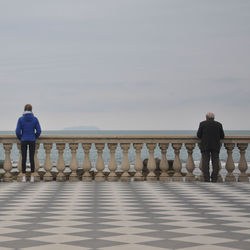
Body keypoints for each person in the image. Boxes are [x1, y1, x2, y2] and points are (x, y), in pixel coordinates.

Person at [16, 104, 41, 182]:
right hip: (32, 140)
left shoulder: (20, 119)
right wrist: (35, 137)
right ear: (31, 110)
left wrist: (21, 137)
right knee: (31, 158)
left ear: (24, 109)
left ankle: (23, 177)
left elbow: (17, 131)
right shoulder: (35, 119)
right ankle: (32, 177)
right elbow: (39, 131)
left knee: (23, 158)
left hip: (23, 140)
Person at [197, 112, 224, 182]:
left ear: (206, 118)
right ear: (213, 118)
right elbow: (222, 136)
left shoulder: (202, 124)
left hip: (205, 145)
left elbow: (198, 135)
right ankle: (214, 178)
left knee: (205, 162)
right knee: (215, 162)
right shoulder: (219, 124)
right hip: (215, 145)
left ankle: (207, 178)